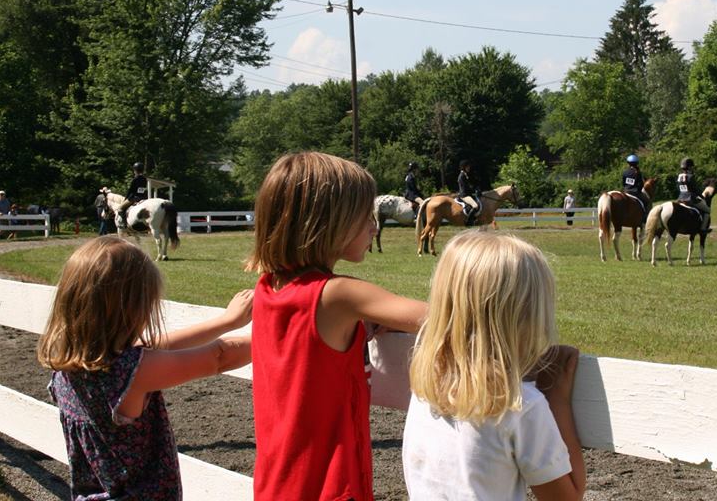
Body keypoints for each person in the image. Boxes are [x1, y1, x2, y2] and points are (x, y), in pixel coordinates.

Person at [246, 151, 428, 501]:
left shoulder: (268, 287)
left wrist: (363, 328)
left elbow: (309, 346)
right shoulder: (339, 295)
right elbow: (444, 316)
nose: (374, 227)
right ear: (331, 223)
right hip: (331, 485)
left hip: (278, 483)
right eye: (365, 218)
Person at [37, 237, 253, 500]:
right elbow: (220, 357)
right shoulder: (130, 371)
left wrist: (226, 321)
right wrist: (288, 333)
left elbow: (157, 347)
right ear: (131, 309)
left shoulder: (69, 366)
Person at [403, 230, 586, 500]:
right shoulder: (520, 406)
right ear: (526, 318)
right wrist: (558, 400)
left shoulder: (425, 385)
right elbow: (566, 498)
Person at [676, 157, 710, 233]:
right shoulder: (691, 176)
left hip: (680, 199)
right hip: (690, 199)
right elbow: (695, 189)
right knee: (707, 210)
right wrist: (702, 197)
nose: (692, 169)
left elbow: (678, 188)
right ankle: (703, 229)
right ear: (689, 167)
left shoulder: (679, 176)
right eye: (691, 167)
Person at [622, 154, 651, 223]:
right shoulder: (638, 172)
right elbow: (640, 184)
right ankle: (645, 217)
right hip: (635, 192)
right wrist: (639, 190)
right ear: (637, 163)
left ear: (628, 163)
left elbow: (623, 183)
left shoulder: (625, 172)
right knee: (647, 201)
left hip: (626, 191)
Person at [456, 159, 481, 226]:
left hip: (468, 194)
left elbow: (472, 184)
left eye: (469, 166)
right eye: (467, 167)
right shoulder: (461, 176)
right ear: (464, 167)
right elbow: (465, 187)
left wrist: (477, 189)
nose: (469, 168)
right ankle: (468, 222)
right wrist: (473, 191)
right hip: (464, 195)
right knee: (475, 206)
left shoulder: (466, 175)